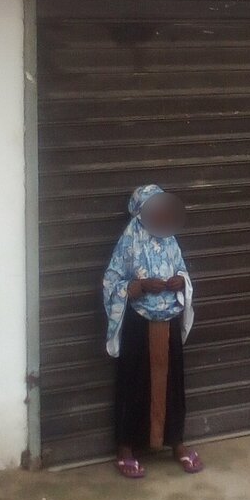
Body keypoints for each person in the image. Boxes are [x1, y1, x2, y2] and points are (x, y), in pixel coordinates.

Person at [103, 184, 203, 479]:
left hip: (168, 320)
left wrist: (179, 282)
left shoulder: (171, 240)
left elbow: (183, 272)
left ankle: (177, 443)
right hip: (138, 322)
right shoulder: (129, 242)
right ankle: (125, 450)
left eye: (164, 208)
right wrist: (139, 287)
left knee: (172, 382)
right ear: (141, 211)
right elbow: (112, 281)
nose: (161, 214)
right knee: (133, 382)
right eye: (154, 208)